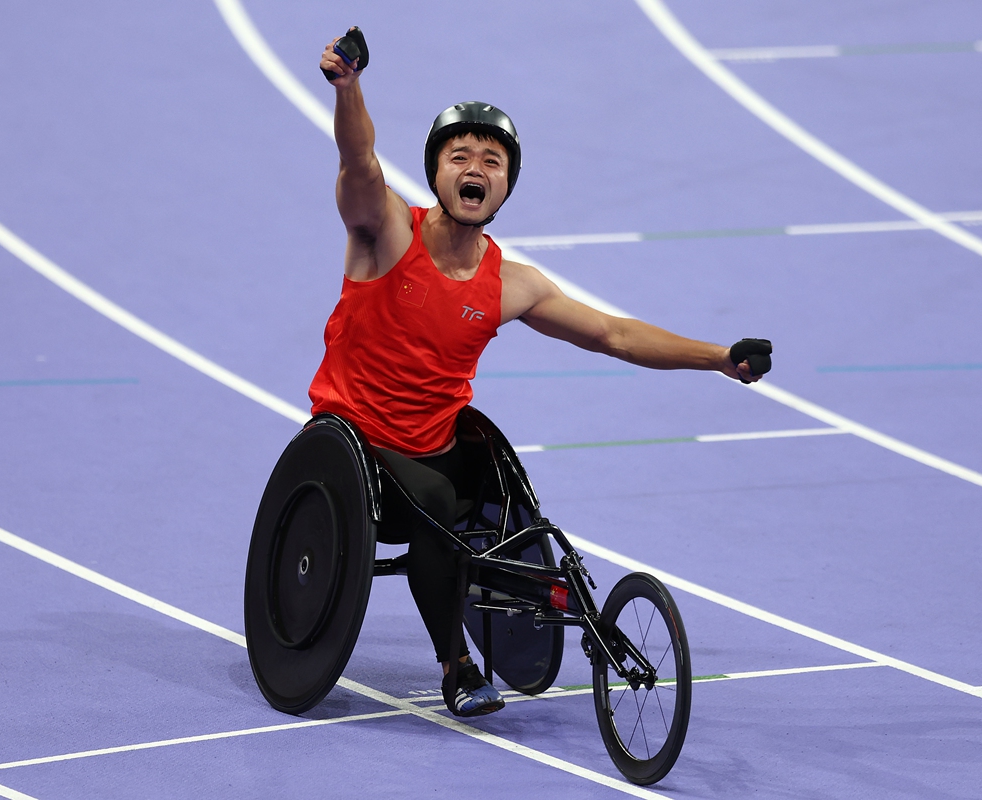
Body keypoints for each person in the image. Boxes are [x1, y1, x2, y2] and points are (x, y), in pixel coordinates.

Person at [310, 29, 771, 717]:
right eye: (460, 155)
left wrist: (718, 360)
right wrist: (349, 88)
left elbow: (613, 334)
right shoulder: (386, 233)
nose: (476, 167)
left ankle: (556, 605)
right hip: (355, 445)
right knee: (436, 507)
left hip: (434, 448)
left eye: (492, 160)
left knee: (507, 503)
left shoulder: (511, 286)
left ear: (504, 187)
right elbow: (359, 159)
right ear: (437, 173)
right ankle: (457, 665)